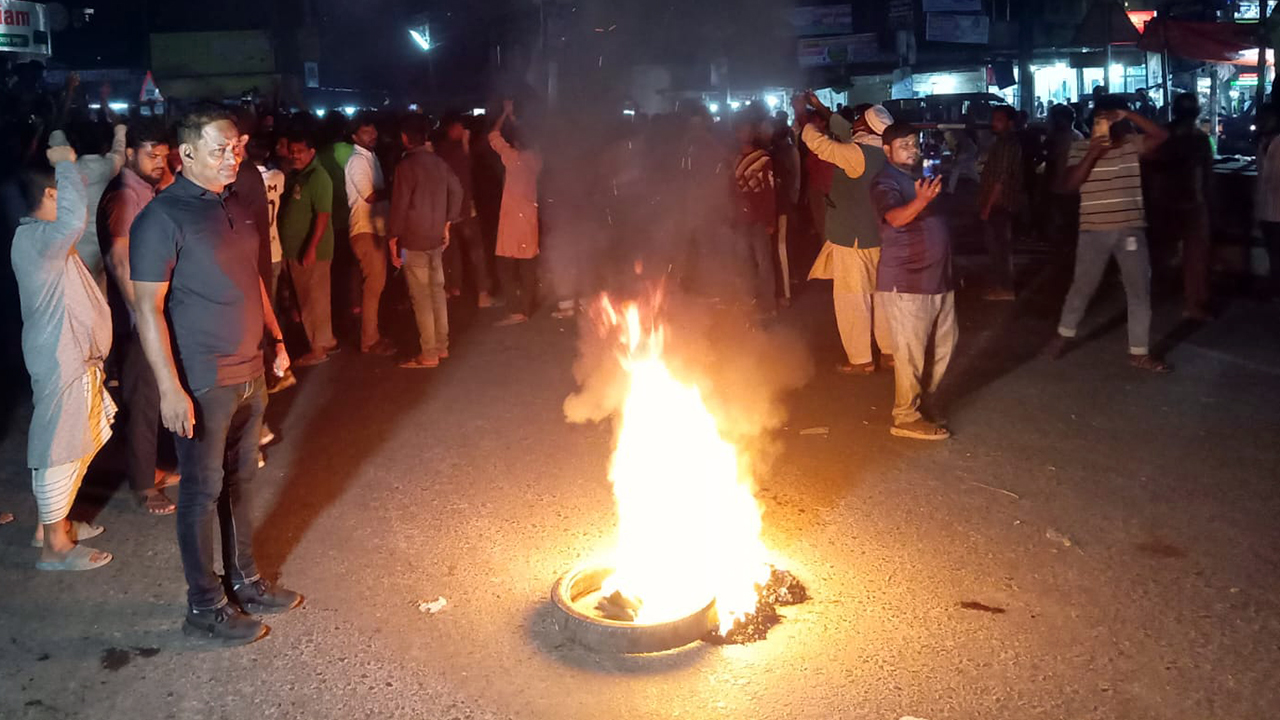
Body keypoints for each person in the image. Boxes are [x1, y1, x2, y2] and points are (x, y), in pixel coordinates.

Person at [131, 108, 301, 644]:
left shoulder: (235, 206)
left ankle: (244, 580)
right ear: (186, 153)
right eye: (219, 150)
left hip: (250, 370)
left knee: (240, 481)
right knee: (201, 492)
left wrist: (275, 339)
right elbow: (146, 308)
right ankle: (204, 604)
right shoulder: (161, 218)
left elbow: (253, 280)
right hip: (203, 379)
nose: (233, 158)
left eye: (237, 147)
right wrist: (169, 388)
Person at [14, 143, 117, 570]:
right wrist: (66, 165)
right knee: (63, 448)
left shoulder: (38, 240)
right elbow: (75, 219)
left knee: (78, 441)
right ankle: (55, 547)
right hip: (63, 361)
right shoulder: (40, 239)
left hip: (70, 359)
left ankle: (50, 527)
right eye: (65, 189)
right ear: (52, 194)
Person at [1043, 95, 1172, 372]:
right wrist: (1093, 152)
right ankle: (1063, 334)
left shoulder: (1130, 144)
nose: (1106, 124)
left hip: (1130, 229)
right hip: (1093, 229)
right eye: (1100, 119)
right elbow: (1069, 186)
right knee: (1083, 287)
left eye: (1110, 118)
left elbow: (1162, 136)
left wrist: (1128, 114)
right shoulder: (1080, 147)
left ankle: (1139, 352)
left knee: (1138, 291)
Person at [98, 120, 178, 515]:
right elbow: (118, 260)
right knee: (145, 398)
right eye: (152, 155)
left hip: (157, 310)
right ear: (129, 154)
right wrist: (144, 318)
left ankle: (155, 468)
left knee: (160, 393)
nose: (160, 162)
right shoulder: (125, 196)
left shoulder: (149, 190)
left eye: (164, 155)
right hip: (140, 318)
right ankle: (145, 485)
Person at [799, 93, 895, 375]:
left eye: (859, 120)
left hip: (853, 238)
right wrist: (820, 107)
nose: (854, 122)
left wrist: (806, 121)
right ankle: (890, 353)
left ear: (865, 126)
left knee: (852, 298)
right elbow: (844, 130)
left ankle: (861, 359)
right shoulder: (887, 152)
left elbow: (818, 144)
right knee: (883, 297)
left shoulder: (857, 154)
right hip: (881, 236)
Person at [871, 124, 956, 441]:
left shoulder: (919, 176)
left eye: (914, 143)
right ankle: (905, 416)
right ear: (887, 150)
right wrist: (920, 201)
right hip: (907, 281)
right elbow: (894, 218)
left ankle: (923, 404)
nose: (912, 149)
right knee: (911, 355)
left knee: (943, 346)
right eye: (903, 144)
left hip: (938, 278)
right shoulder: (885, 181)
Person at [389, 113, 463, 368]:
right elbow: (457, 191)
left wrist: (392, 240)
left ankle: (429, 353)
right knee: (437, 293)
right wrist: (447, 223)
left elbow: (399, 206)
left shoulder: (405, 166)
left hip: (413, 240)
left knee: (421, 297)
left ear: (405, 138)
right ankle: (441, 347)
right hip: (435, 238)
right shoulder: (438, 162)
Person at [280, 131, 337, 366]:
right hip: (296, 249)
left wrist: (311, 247)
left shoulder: (318, 177)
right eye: (292, 151)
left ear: (312, 152)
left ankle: (317, 349)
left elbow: (323, 215)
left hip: (311, 251)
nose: (295, 155)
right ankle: (325, 340)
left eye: (300, 151)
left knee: (312, 302)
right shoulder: (299, 175)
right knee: (313, 299)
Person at [51, 123, 126, 294]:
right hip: (102, 240)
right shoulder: (109, 166)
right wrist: (120, 128)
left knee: (80, 290)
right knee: (100, 288)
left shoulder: (69, 169)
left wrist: (57, 127)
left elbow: (58, 145)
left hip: (77, 241)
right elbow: (119, 148)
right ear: (104, 145)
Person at [343, 114, 395, 355]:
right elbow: (369, 196)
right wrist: (396, 189)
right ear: (354, 136)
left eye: (373, 130)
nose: (373, 135)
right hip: (365, 229)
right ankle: (369, 340)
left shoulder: (369, 157)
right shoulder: (357, 161)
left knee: (376, 284)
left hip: (374, 228)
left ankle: (372, 336)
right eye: (366, 132)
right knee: (374, 285)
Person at [1159, 93, 1214, 320]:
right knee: (1195, 258)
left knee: (1162, 253)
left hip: (1163, 202)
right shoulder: (1200, 139)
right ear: (1197, 112)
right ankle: (1194, 303)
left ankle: (1159, 296)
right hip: (1192, 203)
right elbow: (1206, 175)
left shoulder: (1162, 135)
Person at [489, 100, 543, 326]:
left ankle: (515, 310)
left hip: (513, 221)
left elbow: (493, 136)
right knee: (528, 265)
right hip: (529, 219)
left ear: (517, 143)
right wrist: (514, 119)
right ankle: (527, 308)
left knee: (505, 266)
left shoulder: (513, 158)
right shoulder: (536, 158)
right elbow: (527, 137)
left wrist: (504, 113)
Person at [435, 112, 495, 308]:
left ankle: (453, 288)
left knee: (451, 252)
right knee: (475, 251)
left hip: (447, 212)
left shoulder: (440, 151)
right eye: (461, 127)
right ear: (452, 128)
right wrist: (466, 144)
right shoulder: (453, 150)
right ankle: (482, 294)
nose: (463, 130)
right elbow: (465, 173)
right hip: (463, 210)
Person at [731, 111, 778, 317]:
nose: (746, 134)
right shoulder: (734, 160)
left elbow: (770, 190)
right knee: (743, 261)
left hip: (759, 219)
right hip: (741, 219)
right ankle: (748, 301)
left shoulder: (763, 158)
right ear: (736, 133)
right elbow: (732, 190)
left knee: (763, 262)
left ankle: (768, 304)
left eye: (749, 130)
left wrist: (770, 219)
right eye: (742, 130)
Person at [978, 106, 1024, 300]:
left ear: (1009, 123)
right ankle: (1002, 285)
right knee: (999, 246)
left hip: (1000, 203)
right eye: (994, 119)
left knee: (999, 247)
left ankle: (1005, 288)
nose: (993, 123)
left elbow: (1001, 179)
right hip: (1001, 202)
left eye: (999, 120)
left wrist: (987, 206)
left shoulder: (1007, 144)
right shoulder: (1004, 142)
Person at [1044, 104, 1084, 253]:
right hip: (1073, 186)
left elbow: (1051, 160)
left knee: (1061, 222)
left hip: (1060, 186)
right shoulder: (1078, 136)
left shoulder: (1059, 137)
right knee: (1070, 222)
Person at [1255, 103, 1280, 300]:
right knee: (1272, 252)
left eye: (1266, 118)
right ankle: (1274, 287)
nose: (1262, 122)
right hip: (1265, 209)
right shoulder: (1262, 143)